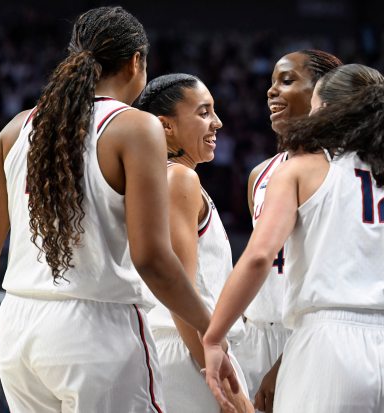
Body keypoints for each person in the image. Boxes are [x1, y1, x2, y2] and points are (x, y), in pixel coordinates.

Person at [0, 7, 216, 412]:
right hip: (98, 328)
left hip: (17, 330)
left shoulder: (16, 128)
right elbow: (150, 257)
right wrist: (210, 331)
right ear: (136, 62)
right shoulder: (135, 126)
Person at [203, 64, 384, 412]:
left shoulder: (299, 169)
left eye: (314, 108)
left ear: (329, 112)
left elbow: (258, 258)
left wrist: (213, 338)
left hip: (329, 347)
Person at [135, 74, 253, 413]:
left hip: (187, 350)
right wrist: (232, 392)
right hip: (188, 351)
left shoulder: (162, 178)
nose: (217, 122)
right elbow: (179, 295)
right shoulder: (179, 179)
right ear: (166, 126)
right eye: (204, 112)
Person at [234, 49, 342, 409]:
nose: (271, 91)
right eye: (271, 83)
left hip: (310, 333)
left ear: (321, 93)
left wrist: (285, 361)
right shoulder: (260, 174)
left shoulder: (342, 171)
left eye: (287, 80)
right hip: (256, 335)